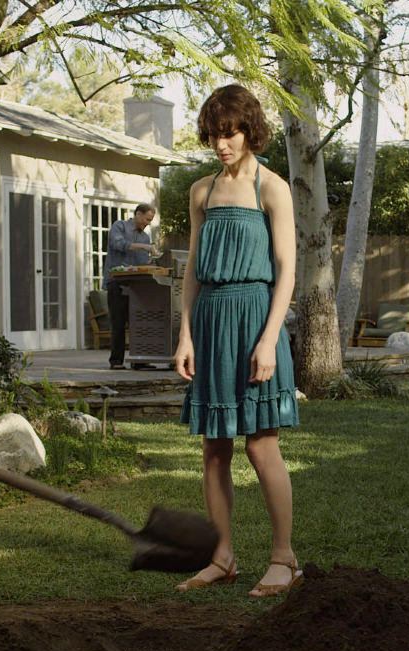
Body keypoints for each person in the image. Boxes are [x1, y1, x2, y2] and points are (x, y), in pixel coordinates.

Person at [174, 84, 302, 597]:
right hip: (209, 323)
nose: (221, 144)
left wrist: (270, 339)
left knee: (261, 445)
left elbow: (288, 270)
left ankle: (285, 559)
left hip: (254, 320)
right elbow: (191, 271)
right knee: (213, 448)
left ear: (250, 130)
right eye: (214, 135)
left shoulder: (270, 187)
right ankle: (222, 557)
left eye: (230, 134)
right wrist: (185, 334)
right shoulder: (200, 192)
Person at [103, 203, 157, 370]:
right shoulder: (119, 226)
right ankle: (116, 361)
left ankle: (139, 360)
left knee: (139, 322)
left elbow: (141, 263)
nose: (148, 223)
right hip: (116, 282)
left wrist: (153, 262)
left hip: (137, 285)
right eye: (147, 219)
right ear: (138, 214)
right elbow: (117, 244)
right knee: (119, 323)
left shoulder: (145, 237)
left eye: (150, 221)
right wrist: (144, 247)